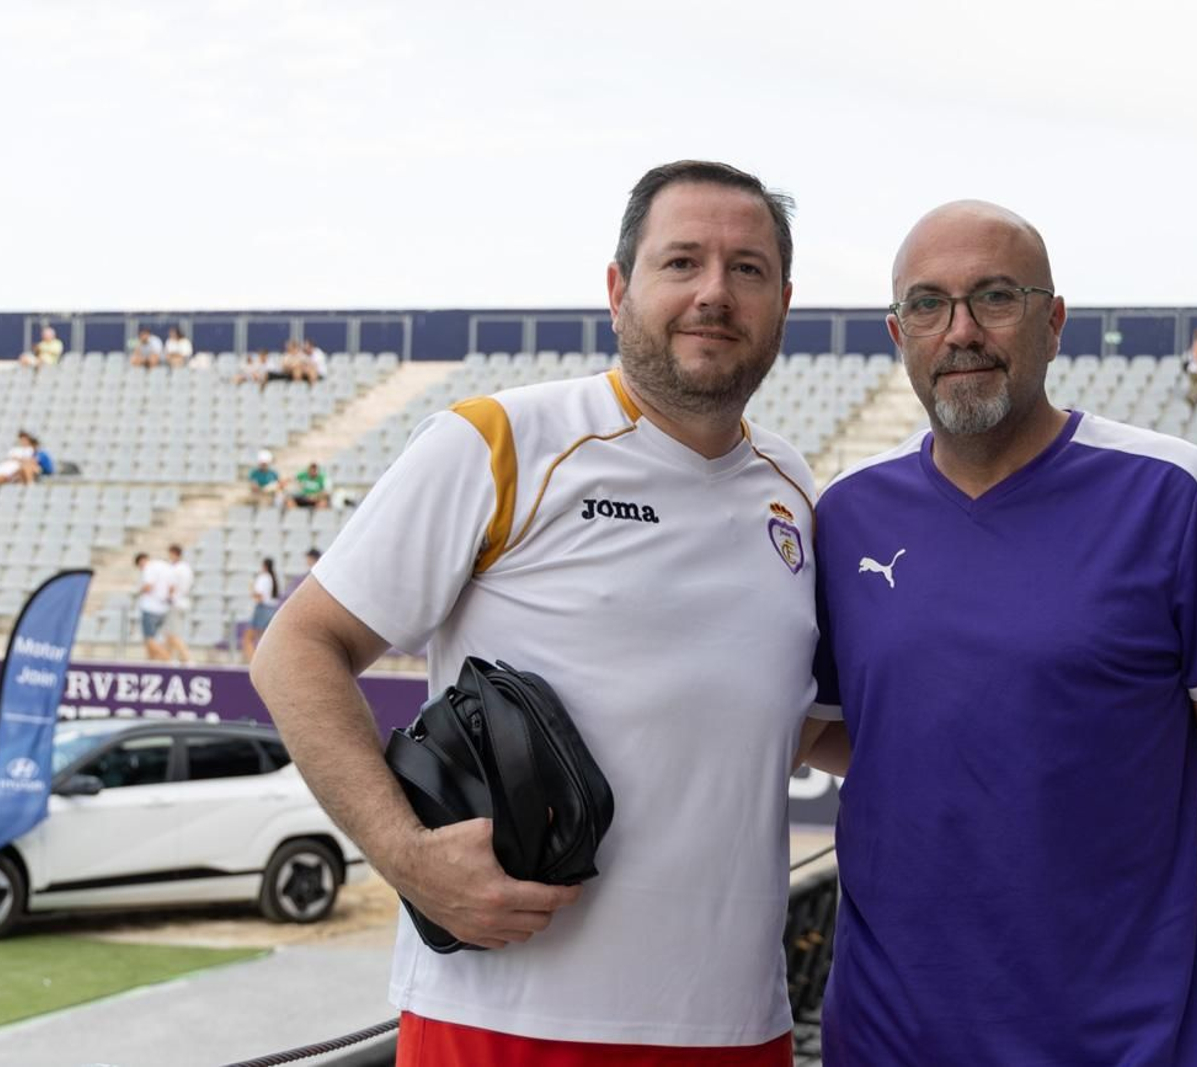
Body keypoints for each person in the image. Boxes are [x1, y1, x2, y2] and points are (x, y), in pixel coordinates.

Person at [251, 160, 817, 1066]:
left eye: (746, 269)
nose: (714, 292)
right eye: (682, 262)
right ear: (618, 288)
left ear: (784, 301)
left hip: (738, 1027)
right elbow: (298, 648)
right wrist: (405, 853)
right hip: (508, 1025)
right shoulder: (500, 441)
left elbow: (798, 728)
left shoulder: (796, 492)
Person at [805, 200, 1197, 1065]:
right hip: (886, 1035)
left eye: (995, 297)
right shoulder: (847, 511)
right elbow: (855, 728)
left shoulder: (1168, 491)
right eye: (928, 304)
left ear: (1054, 321)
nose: (960, 331)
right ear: (897, 330)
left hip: (1122, 1035)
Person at [240, 557, 281, 663]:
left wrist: (252, 589)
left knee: (248, 638)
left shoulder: (264, 577)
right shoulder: (273, 578)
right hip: (271, 610)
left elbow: (259, 596)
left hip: (262, 609)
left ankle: (253, 664)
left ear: (264, 566)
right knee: (264, 640)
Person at [134, 551, 172, 661]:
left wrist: (138, 591)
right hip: (163, 608)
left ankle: (168, 659)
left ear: (142, 561)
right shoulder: (164, 566)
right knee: (156, 639)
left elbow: (148, 586)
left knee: (149, 639)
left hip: (150, 608)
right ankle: (151, 662)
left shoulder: (149, 568)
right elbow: (172, 586)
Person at [163, 543, 195, 665]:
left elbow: (172, 586)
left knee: (172, 634)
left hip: (175, 602)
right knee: (170, 634)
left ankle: (187, 659)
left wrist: (167, 595)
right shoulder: (186, 568)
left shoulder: (176, 569)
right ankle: (169, 659)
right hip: (182, 602)